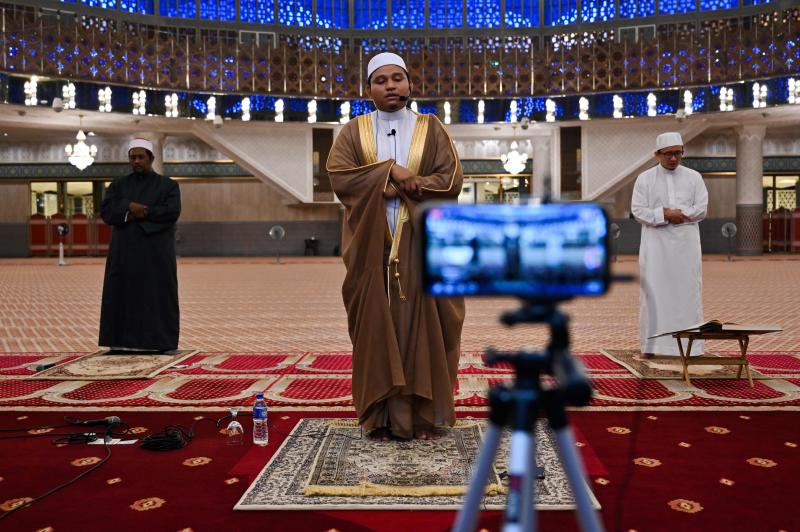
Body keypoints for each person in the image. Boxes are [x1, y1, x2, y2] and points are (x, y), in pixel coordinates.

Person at [327, 52, 465, 441]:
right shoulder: (354, 131)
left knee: (425, 329)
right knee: (375, 330)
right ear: (367, 88)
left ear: (409, 84)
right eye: (382, 80)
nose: (391, 86)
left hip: (419, 246)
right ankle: (380, 417)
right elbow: (340, 176)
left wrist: (401, 185)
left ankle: (423, 416)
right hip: (372, 247)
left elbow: (451, 177)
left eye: (398, 78)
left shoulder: (430, 126)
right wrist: (389, 172)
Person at [98, 138, 181, 353]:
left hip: (156, 251)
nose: (136, 161)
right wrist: (129, 209)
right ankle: (120, 342)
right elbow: (107, 213)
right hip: (123, 251)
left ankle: (159, 342)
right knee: (121, 293)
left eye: (141, 157)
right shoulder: (118, 185)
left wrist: (142, 211)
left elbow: (171, 212)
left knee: (156, 294)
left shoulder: (168, 185)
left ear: (151, 158)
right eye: (132, 157)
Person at [631, 132, 708, 357]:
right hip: (656, 246)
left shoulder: (694, 177)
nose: (673, 158)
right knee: (655, 291)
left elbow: (702, 208)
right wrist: (663, 214)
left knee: (688, 291)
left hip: (686, 244)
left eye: (678, 153)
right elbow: (638, 211)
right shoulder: (644, 179)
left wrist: (680, 214)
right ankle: (652, 346)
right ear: (657, 154)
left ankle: (690, 347)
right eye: (668, 154)